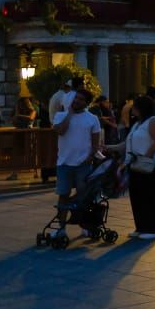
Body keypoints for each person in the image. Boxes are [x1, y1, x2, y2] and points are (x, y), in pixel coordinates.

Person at [108, 95, 155, 240]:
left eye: (134, 106)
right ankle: (141, 227)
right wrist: (109, 147)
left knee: (150, 196)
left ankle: (153, 229)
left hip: (148, 165)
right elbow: (127, 144)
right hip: (134, 164)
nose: (131, 109)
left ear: (141, 108)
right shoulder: (137, 124)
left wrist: (146, 156)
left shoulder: (154, 121)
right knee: (137, 196)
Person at [52, 89, 103, 235]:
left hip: (83, 164)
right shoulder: (60, 116)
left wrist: (90, 157)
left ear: (86, 103)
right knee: (63, 195)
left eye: (81, 99)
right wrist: (68, 114)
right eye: (75, 98)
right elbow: (60, 131)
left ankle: (85, 226)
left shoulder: (92, 119)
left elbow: (95, 143)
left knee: (83, 196)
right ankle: (61, 228)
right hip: (64, 163)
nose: (76, 101)